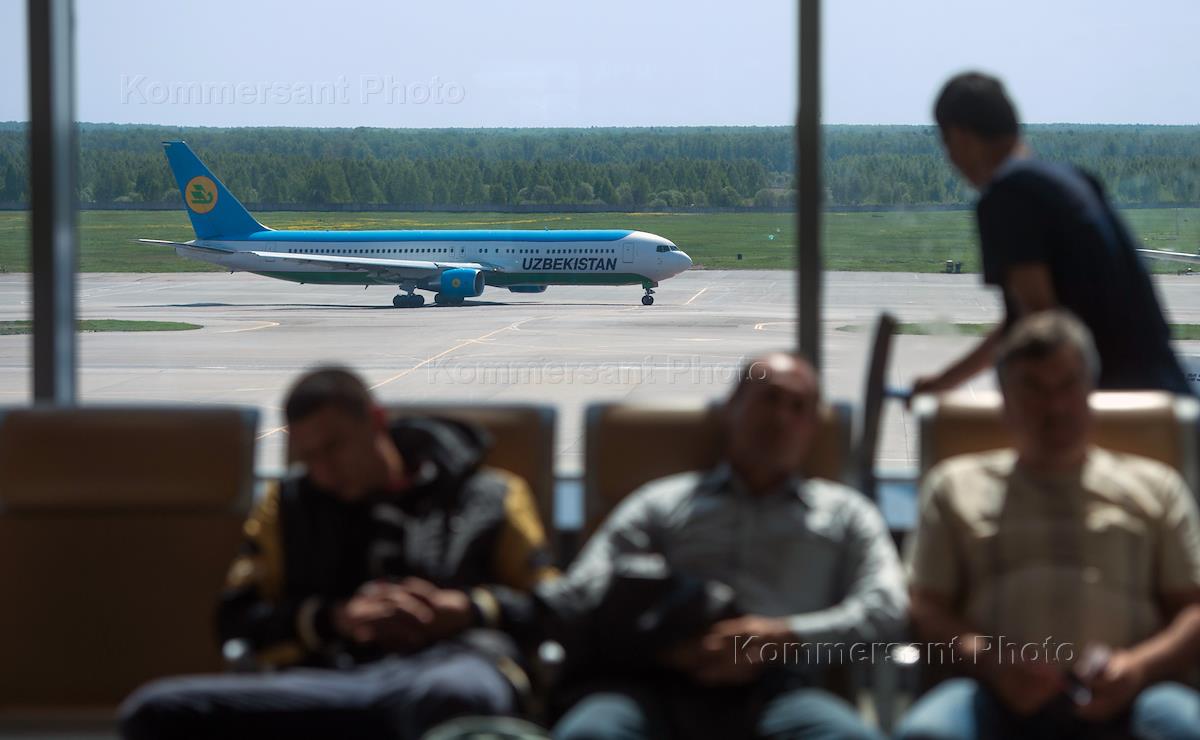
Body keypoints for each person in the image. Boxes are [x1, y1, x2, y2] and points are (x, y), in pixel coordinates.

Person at [119, 366, 557, 740]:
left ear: (377, 421)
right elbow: (236, 618)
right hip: (330, 676)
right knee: (155, 710)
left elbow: (558, 607)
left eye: (333, 448)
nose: (324, 471)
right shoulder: (288, 505)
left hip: (454, 663)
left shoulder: (490, 496)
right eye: (308, 457)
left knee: (452, 697)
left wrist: (466, 609)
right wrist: (336, 618)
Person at [551, 352, 907, 740]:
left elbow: (886, 608)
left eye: (799, 408)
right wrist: (667, 643)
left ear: (812, 428)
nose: (781, 418)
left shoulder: (846, 515)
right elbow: (582, 591)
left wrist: (786, 636)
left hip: (778, 692)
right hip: (654, 686)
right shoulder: (661, 504)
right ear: (731, 407)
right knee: (590, 733)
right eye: (769, 399)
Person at [897, 311, 1200, 739]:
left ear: (1090, 390)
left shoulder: (1156, 488)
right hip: (992, 694)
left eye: (1068, 385)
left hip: (1132, 694)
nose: (1054, 407)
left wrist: (1138, 667)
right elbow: (925, 608)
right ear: (1005, 399)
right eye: (1033, 389)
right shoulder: (954, 487)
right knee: (926, 733)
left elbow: (1193, 607)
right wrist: (992, 663)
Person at [913, 71, 1189, 396]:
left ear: (961, 137)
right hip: (1163, 394)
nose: (950, 158)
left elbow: (1040, 327)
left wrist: (944, 385)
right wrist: (945, 382)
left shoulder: (1008, 196)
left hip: (1117, 400)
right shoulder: (1071, 179)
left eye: (946, 143)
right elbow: (1026, 318)